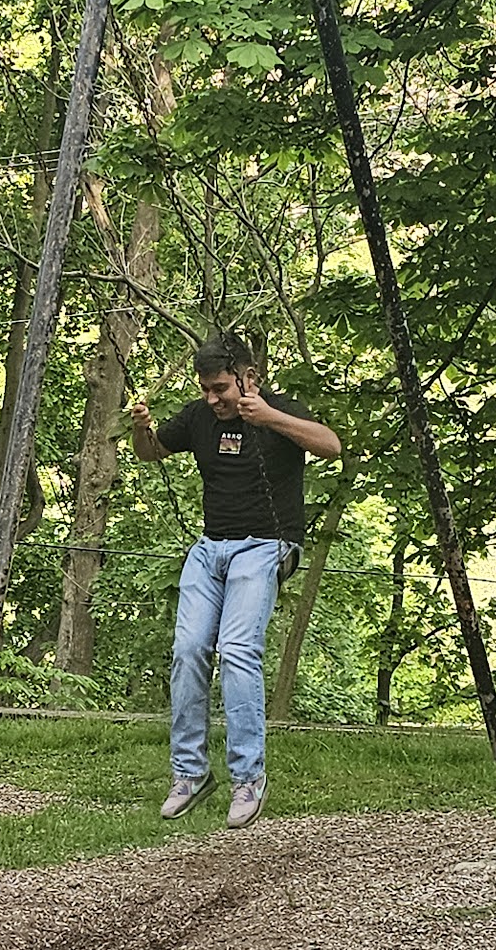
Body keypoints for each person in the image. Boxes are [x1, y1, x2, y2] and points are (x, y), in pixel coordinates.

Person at [130, 337, 342, 828]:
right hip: (211, 548)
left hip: (268, 545)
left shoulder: (279, 411)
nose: (212, 399)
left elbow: (331, 445)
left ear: (249, 379)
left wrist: (267, 417)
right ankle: (190, 773)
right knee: (188, 649)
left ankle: (248, 778)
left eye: (221, 388)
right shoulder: (199, 417)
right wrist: (142, 430)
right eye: (206, 389)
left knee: (238, 648)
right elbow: (151, 452)